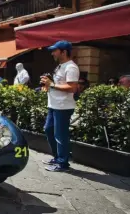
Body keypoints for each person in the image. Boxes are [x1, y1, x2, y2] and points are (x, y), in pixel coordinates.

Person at [40, 40, 79, 172]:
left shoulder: (71, 67)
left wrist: (51, 85)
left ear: (64, 52)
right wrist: (47, 84)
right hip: (54, 105)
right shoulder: (60, 67)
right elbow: (56, 84)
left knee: (60, 135)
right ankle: (57, 157)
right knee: (48, 130)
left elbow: (72, 88)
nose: (52, 53)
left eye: (55, 51)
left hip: (63, 107)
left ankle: (63, 163)